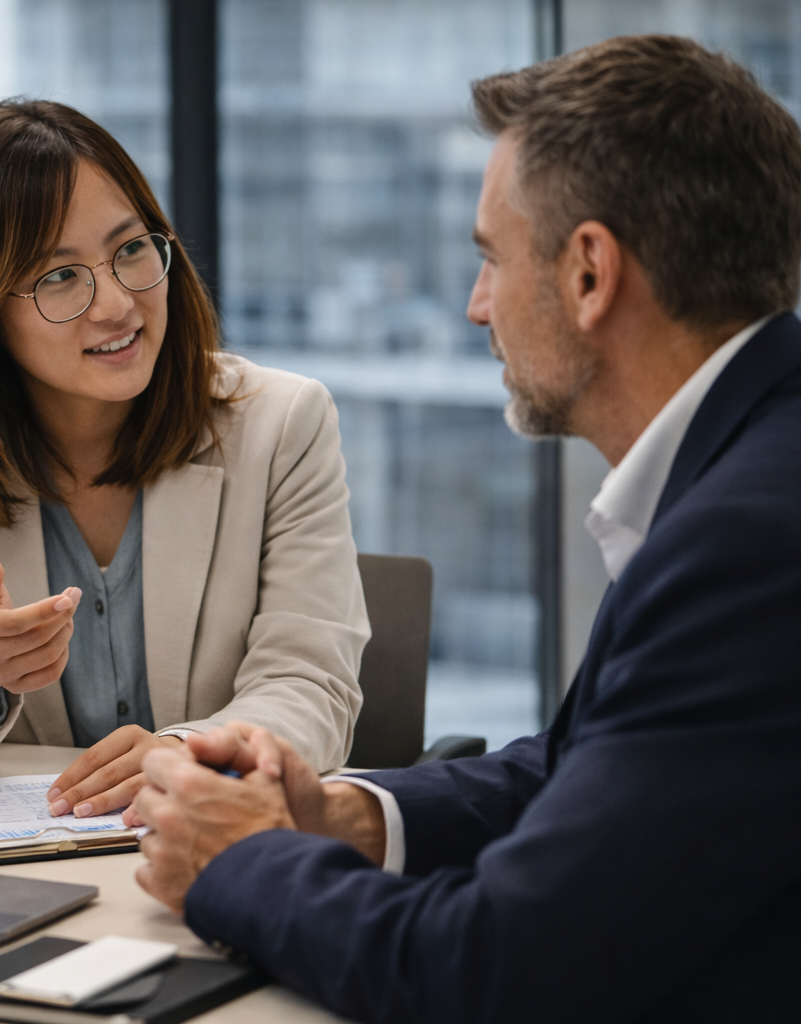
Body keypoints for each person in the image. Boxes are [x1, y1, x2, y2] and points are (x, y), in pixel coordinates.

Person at [127, 35, 801, 1023]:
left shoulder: (747, 544)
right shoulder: (749, 464)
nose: (478, 307)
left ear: (590, 273)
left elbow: (494, 972)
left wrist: (241, 858)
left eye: (491, 257)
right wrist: (346, 816)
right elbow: (591, 771)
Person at [0, 99, 369, 821]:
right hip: (21, 852)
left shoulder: (282, 423)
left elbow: (311, 686)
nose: (117, 304)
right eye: (59, 276)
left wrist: (184, 753)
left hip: (216, 837)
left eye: (131, 249)